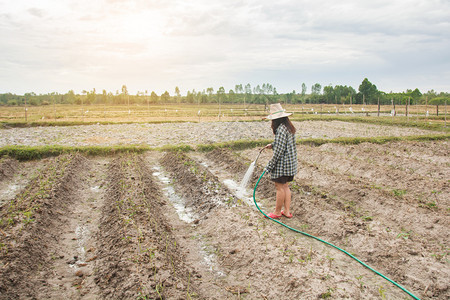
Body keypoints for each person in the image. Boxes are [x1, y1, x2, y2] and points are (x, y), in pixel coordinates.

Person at [263, 103, 298, 219]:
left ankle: (277, 212)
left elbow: (279, 151)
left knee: (279, 187)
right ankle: (286, 211)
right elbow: (284, 144)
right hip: (290, 164)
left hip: (283, 164)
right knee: (286, 186)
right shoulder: (288, 127)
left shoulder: (281, 129)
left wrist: (269, 166)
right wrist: (273, 145)